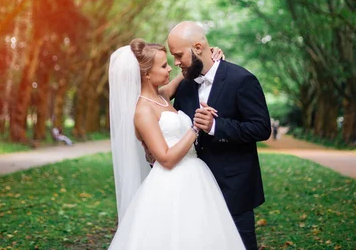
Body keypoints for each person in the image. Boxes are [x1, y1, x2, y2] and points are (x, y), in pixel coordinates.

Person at [108, 39, 245, 249]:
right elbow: (166, 158)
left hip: (195, 176)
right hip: (171, 184)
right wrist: (196, 128)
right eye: (163, 66)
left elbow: (184, 73)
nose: (170, 67)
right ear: (145, 74)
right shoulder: (143, 110)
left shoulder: (161, 97)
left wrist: (208, 56)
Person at [168, 21, 271, 250]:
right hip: (193, 188)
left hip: (233, 187)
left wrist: (216, 126)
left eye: (177, 55)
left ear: (197, 47)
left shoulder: (242, 79)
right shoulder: (184, 86)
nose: (175, 62)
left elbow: (261, 128)